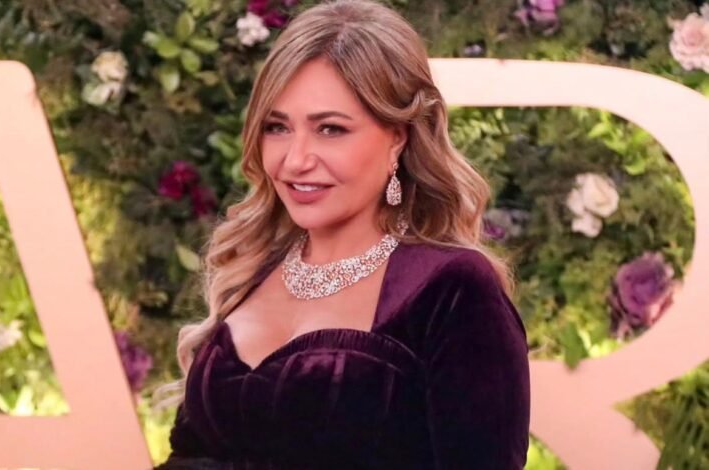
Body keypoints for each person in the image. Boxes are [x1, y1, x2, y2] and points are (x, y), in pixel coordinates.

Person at [153, 0, 530, 468]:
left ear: (399, 137)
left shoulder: (450, 288)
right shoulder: (251, 268)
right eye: (277, 127)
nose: (295, 160)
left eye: (330, 129)